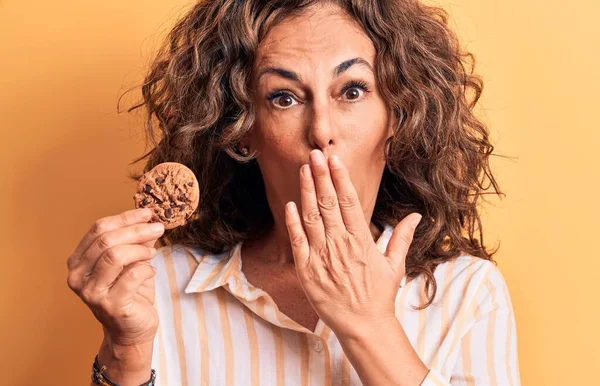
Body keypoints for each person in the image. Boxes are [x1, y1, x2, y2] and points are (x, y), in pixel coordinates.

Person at [67, 0, 521, 385]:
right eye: (284, 97)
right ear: (243, 130)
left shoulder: (468, 293)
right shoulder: (158, 289)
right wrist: (125, 353)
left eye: (353, 90)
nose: (322, 130)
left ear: (398, 118)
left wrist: (369, 325)